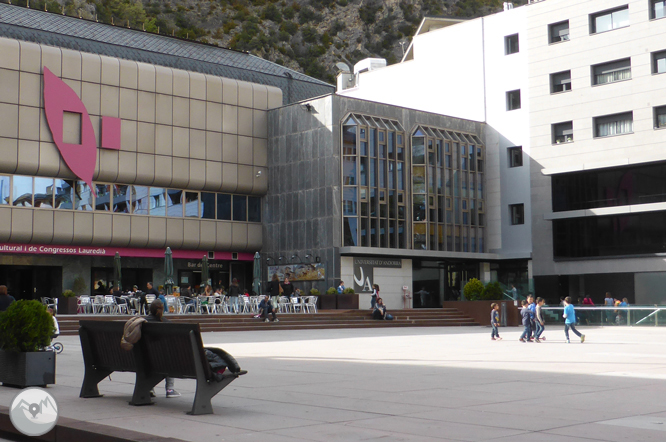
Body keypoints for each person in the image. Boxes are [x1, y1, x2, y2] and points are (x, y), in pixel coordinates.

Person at [145, 299, 180, 397]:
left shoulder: (144, 322)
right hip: (164, 360)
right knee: (170, 358)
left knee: (150, 358)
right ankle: (170, 389)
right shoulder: (166, 323)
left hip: (145, 358)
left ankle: (149, 388)